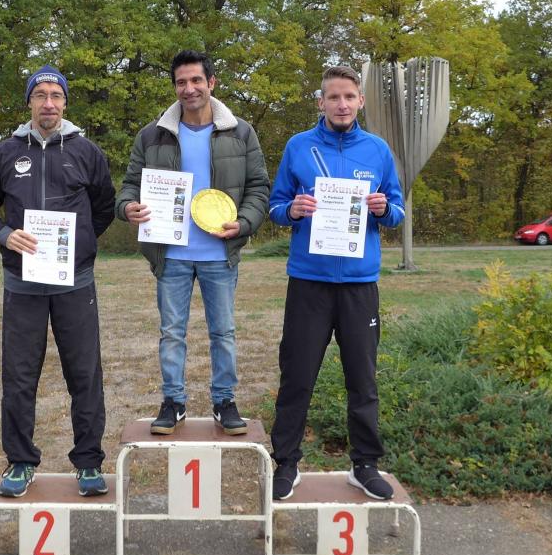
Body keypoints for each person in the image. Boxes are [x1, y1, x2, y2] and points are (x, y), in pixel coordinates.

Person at [0, 65, 115, 498]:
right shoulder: (5, 153)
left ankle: (88, 462)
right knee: (18, 378)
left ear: (65, 102)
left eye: (56, 95)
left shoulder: (87, 151)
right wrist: (4, 234)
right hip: (22, 286)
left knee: (84, 375)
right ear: (30, 102)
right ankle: (20, 461)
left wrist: (79, 244)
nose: (48, 103)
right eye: (40, 95)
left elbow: (103, 208)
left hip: (75, 283)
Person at [115, 50, 269, 436]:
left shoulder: (241, 133)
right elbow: (130, 185)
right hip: (171, 255)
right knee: (172, 332)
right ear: (175, 87)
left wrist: (244, 223)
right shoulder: (151, 135)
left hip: (220, 253)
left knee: (224, 333)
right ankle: (173, 402)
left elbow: (259, 188)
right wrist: (127, 207)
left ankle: (224, 401)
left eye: (196, 80)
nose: (189, 88)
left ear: (211, 83)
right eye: (181, 82)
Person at [268, 66, 405, 500]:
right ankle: (286, 463)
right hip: (309, 282)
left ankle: (364, 465)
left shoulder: (378, 150)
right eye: (333, 97)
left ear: (360, 100)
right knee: (297, 376)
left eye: (349, 97)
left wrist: (383, 210)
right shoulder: (299, 146)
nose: (341, 104)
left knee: (362, 379)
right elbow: (275, 205)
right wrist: (292, 210)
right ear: (321, 102)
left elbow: (398, 211)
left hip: (360, 285)